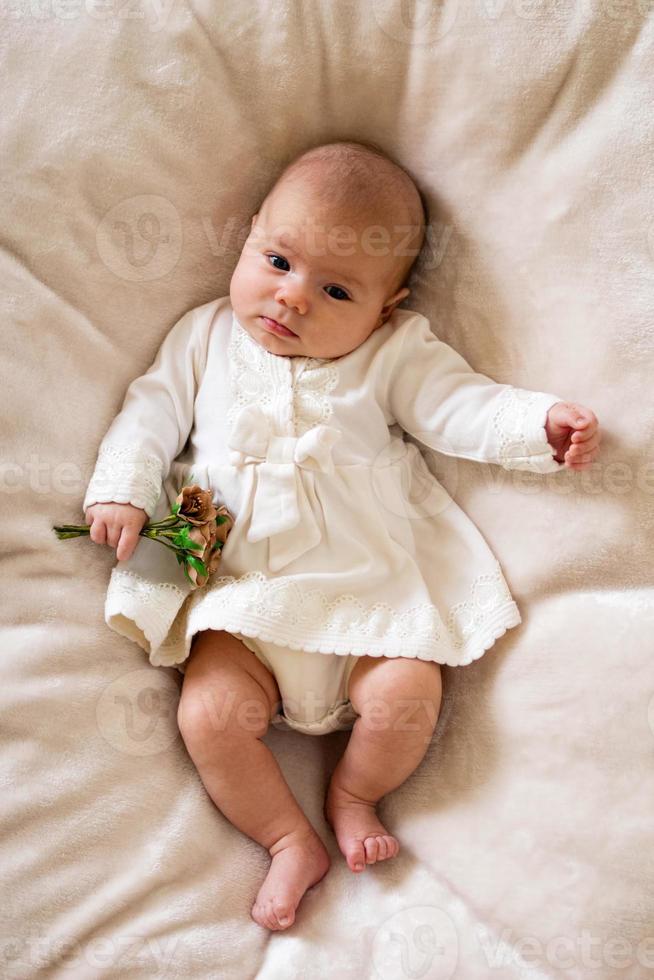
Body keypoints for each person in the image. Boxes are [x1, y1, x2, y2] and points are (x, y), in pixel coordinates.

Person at [83, 140, 601, 931]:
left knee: (407, 694)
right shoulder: (205, 335)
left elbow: (462, 406)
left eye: (334, 288)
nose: (292, 299)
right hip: (239, 596)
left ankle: (355, 794)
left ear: (385, 308)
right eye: (278, 260)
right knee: (208, 716)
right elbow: (148, 414)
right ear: (250, 231)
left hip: (368, 594)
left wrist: (540, 424)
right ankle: (289, 838)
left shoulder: (394, 355)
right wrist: (122, 491)